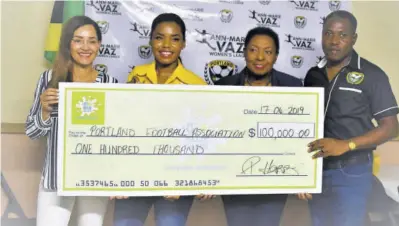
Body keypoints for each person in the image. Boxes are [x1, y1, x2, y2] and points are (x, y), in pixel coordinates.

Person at [299, 10, 399, 226]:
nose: (334, 41)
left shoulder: (373, 75)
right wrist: (301, 173)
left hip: (352, 172)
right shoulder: (312, 75)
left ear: (353, 39)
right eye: (328, 33)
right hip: (316, 170)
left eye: (342, 35)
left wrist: (346, 144)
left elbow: (391, 127)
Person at [112, 13, 213, 226]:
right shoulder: (136, 76)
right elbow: (124, 128)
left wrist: (196, 181)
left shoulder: (197, 85)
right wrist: (117, 174)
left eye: (175, 39)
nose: (166, 45)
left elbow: (201, 138)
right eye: (159, 37)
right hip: (136, 175)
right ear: (150, 40)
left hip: (176, 180)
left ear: (183, 44)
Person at [25, 16, 118, 226]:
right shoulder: (49, 79)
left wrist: (115, 178)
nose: (85, 47)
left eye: (92, 41)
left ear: (99, 45)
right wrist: (45, 112)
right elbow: (32, 132)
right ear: (68, 43)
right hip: (55, 179)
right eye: (78, 40)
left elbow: (115, 137)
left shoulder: (110, 84)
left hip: (95, 178)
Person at [215, 26, 303, 226]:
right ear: (244, 52)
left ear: (276, 56)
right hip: (233, 180)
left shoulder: (294, 87)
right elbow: (213, 136)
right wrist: (210, 176)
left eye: (268, 51)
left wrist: (305, 175)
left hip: (274, 182)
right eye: (254, 50)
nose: (260, 57)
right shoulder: (223, 87)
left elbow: (302, 135)